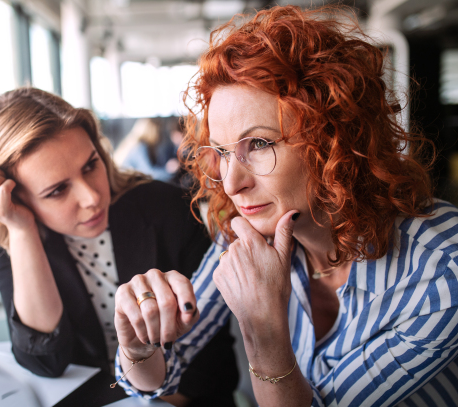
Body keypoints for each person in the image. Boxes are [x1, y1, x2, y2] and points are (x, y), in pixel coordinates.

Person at [112, 5, 458, 406]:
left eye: (258, 144)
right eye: (222, 152)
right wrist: (139, 344)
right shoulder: (252, 230)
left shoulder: (441, 270)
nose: (232, 183)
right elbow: (161, 372)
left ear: (333, 140)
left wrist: (263, 330)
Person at [0, 87, 238, 407]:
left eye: (90, 165)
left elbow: (213, 368)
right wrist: (23, 231)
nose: (91, 197)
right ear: (16, 197)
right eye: (57, 191)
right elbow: (45, 361)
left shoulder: (165, 207)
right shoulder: (12, 236)